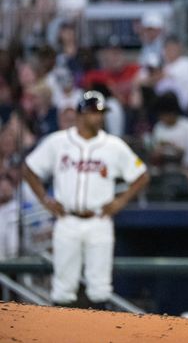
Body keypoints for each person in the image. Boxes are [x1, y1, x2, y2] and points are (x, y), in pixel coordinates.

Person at [21, 91, 149, 308]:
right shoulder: (59, 141)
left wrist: (120, 201)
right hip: (67, 219)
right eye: (93, 113)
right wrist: (44, 198)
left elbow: (141, 175)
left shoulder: (113, 145)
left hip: (98, 219)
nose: (98, 117)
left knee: (100, 290)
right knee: (62, 290)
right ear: (80, 114)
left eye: (101, 113)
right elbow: (29, 168)